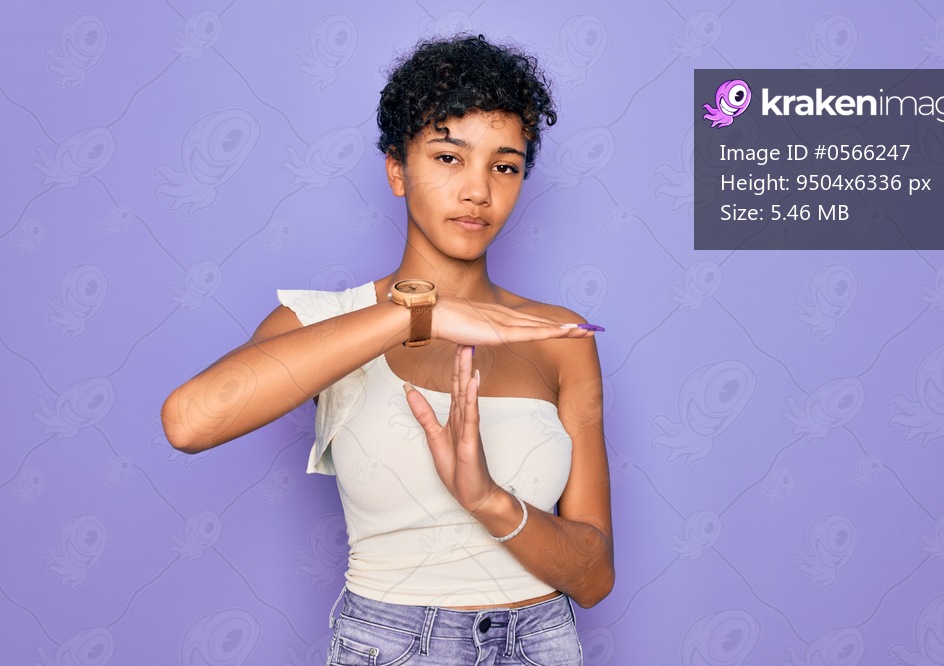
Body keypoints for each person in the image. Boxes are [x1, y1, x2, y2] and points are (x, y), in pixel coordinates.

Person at [162, 34, 613, 665]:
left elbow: (593, 579)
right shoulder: (322, 321)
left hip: (542, 645)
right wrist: (415, 314)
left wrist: (489, 501)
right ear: (397, 170)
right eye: (450, 157)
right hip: (393, 647)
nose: (478, 190)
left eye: (504, 165)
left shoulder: (558, 338)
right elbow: (188, 422)